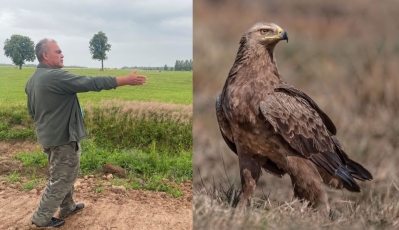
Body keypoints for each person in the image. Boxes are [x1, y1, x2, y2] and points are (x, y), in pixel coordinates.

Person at [25, 38, 147, 228]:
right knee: (62, 177)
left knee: (65, 172)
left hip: (49, 137)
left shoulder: (32, 80)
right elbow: (90, 82)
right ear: (45, 55)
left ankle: (67, 206)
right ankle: (41, 218)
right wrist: (125, 81)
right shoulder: (56, 77)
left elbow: (32, 111)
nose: (62, 54)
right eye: (57, 52)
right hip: (63, 138)